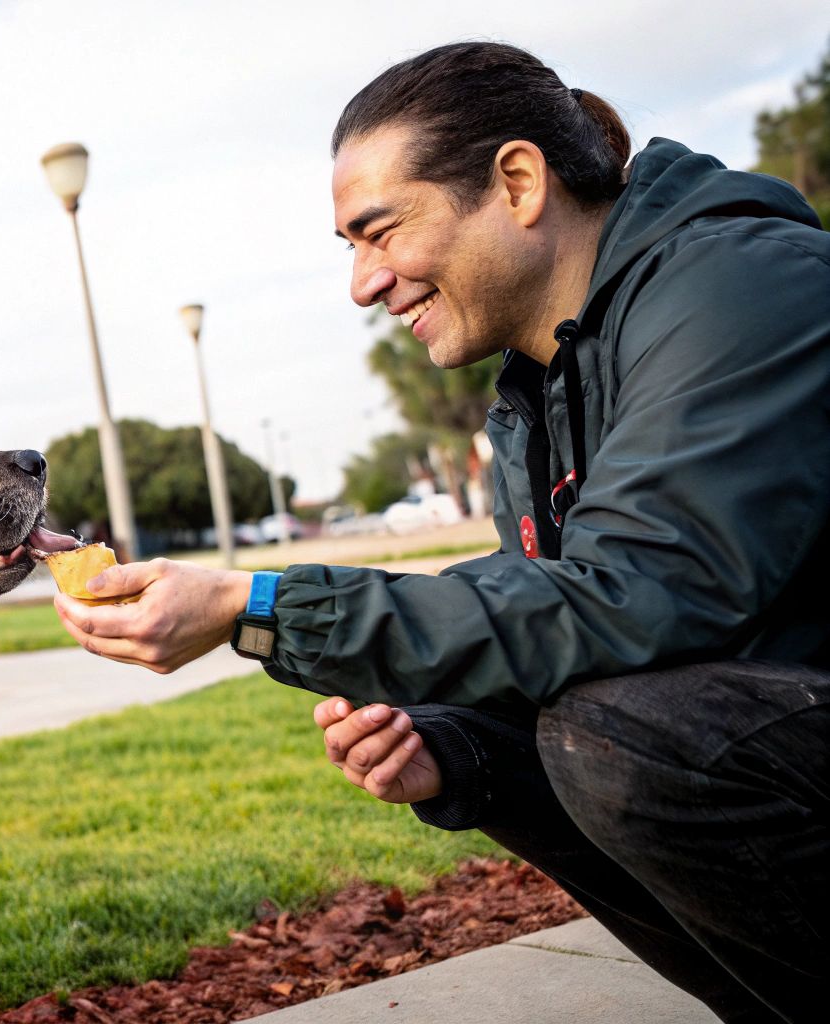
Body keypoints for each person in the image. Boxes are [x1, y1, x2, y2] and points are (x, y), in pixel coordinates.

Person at [52, 41, 829, 1023]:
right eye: (349, 248)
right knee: (536, 731)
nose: (362, 284)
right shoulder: (533, 394)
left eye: (378, 233)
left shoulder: (739, 287)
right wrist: (457, 756)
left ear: (515, 182)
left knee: (633, 738)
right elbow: (555, 617)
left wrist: (256, 600)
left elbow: (631, 595)